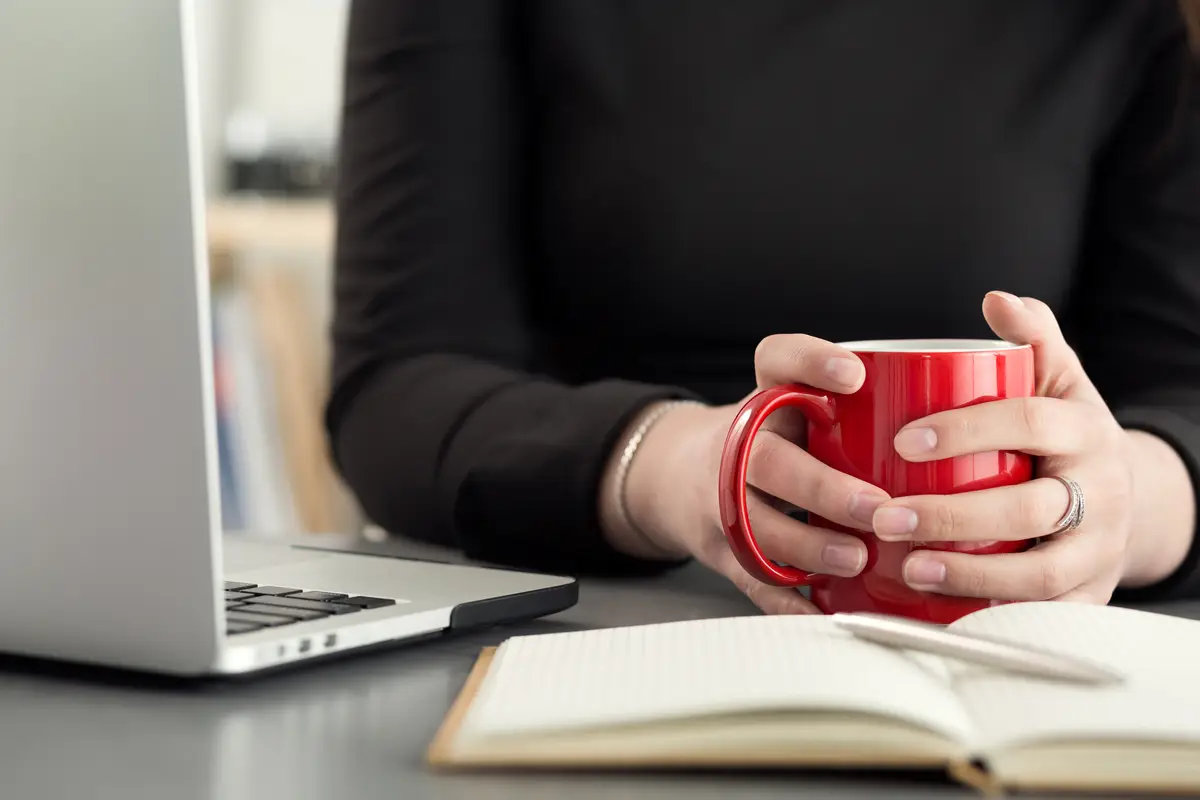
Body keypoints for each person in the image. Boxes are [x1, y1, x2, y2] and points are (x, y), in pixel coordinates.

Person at [326, 0, 1200, 615]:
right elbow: (396, 379)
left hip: (1029, 648)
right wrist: (670, 469)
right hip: (597, 622)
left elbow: (1183, 388)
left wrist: (1125, 504)